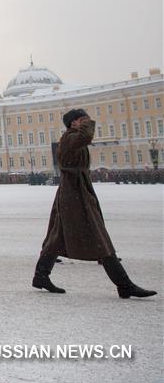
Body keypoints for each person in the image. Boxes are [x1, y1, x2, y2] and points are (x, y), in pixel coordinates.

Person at [33, 109, 156, 299]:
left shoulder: (72, 137)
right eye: (82, 119)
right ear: (73, 123)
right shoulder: (70, 138)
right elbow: (85, 137)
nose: (87, 121)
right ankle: (124, 284)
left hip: (74, 190)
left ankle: (41, 276)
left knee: (57, 236)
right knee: (98, 236)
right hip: (74, 192)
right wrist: (86, 125)